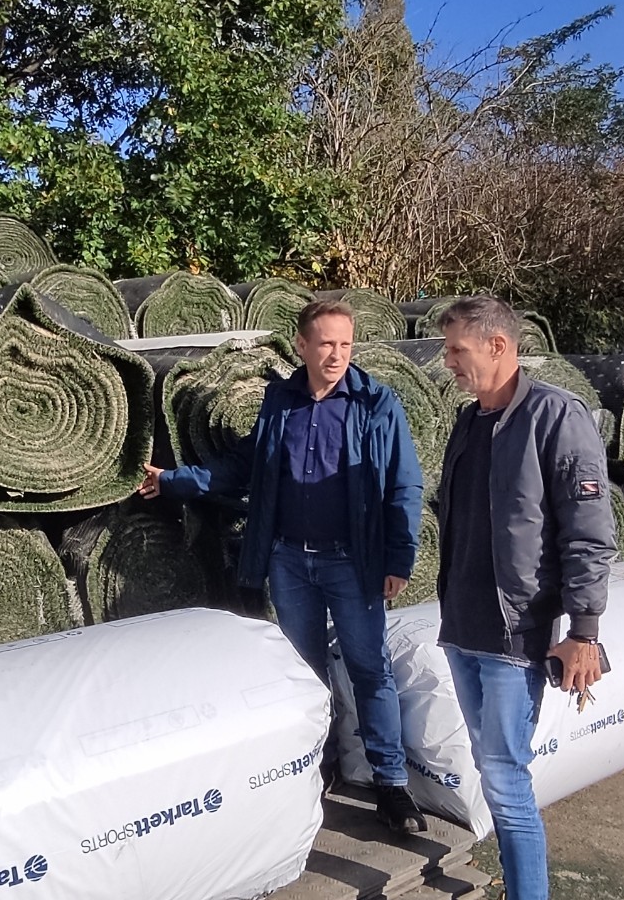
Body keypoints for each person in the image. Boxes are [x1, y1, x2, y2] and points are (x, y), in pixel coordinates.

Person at [138, 297, 427, 834]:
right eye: (326, 343)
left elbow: (403, 484)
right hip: (290, 561)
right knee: (305, 674)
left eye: (345, 343)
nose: (337, 354)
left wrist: (399, 557)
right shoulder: (280, 400)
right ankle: (316, 771)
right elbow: (246, 466)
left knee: (370, 670)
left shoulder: (376, 403)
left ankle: (391, 785)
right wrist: (175, 480)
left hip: (353, 563)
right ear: (302, 345)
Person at [431, 295, 615, 900]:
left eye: (455, 352)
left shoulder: (555, 417)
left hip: (517, 638)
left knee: (507, 787)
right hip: (466, 628)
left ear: (498, 345)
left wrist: (584, 631)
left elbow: (589, 529)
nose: (447, 364)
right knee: (496, 777)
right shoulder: (470, 422)